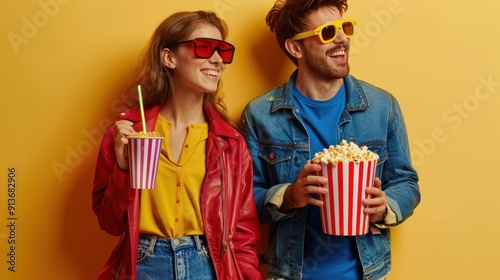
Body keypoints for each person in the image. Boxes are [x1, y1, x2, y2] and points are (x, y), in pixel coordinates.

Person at [240, 0, 421, 279]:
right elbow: (243, 198)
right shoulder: (261, 114)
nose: (342, 40)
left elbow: (406, 181)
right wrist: (289, 196)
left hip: (369, 271)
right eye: (327, 32)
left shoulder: (382, 106)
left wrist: (384, 206)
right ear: (295, 47)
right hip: (291, 272)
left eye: (344, 28)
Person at [92, 10, 261, 280]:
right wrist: (123, 170)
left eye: (223, 51)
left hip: (208, 264)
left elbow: (242, 234)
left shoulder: (231, 143)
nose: (217, 60)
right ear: (169, 57)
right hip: (143, 265)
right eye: (204, 47)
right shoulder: (126, 133)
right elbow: (110, 223)